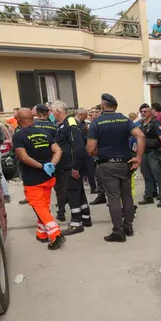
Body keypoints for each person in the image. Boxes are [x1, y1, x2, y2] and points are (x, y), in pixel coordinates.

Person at [87, 94, 144, 243]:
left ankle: (118, 231)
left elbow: (91, 148)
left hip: (107, 165)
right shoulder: (125, 120)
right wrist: (138, 157)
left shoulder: (96, 123)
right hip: (125, 164)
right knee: (127, 196)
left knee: (113, 197)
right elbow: (141, 136)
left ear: (103, 105)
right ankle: (128, 226)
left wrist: (98, 153)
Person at [12, 108, 66, 250]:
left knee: (39, 206)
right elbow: (58, 150)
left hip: (33, 178)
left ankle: (56, 234)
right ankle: (41, 233)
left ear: (18, 120)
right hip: (48, 177)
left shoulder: (18, 135)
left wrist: (41, 166)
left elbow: (23, 157)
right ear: (32, 118)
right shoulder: (44, 133)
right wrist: (51, 165)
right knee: (44, 206)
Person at [51, 101, 92, 236]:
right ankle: (85, 218)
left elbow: (78, 146)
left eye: (52, 111)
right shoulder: (63, 125)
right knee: (79, 192)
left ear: (58, 111)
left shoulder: (71, 123)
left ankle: (76, 223)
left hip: (72, 166)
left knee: (73, 192)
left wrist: (76, 166)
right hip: (69, 165)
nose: (52, 114)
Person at [137, 104, 161, 207]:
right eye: (141, 111)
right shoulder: (141, 124)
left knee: (158, 175)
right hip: (144, 153)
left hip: (153, 152)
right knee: (147, 175)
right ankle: (149, 196)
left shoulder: (155, 123)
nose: (143, 113)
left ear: (150, 112)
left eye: (145, 111)